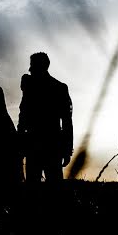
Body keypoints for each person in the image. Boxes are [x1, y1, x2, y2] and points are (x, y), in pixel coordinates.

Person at [17, 52, 73, 182]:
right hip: (45, 143)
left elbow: (66, 121)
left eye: (32, 65)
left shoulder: (58, 88)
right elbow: (23, 115)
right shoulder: (58, 87)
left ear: (42, 66)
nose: (29, 69)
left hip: (44, 143)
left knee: (46, 185)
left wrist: (67, 149)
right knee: (43, 185)